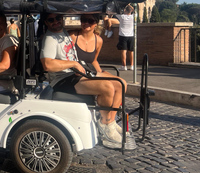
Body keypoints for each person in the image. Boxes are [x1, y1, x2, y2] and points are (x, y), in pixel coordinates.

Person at [40, 12, 133, 150]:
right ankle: (105, 126)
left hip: (75, 74)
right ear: (46, 23)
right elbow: (47, 65)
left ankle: (111, 122)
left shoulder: (64, 32)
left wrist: (92, 70)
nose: (56, 21)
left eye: (58, 18)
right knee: (106, 87)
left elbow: (91, 57)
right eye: (51, 20)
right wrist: (73, 64)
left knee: (120, 84)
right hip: (62, 80)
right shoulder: (50, 38)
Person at [108, 4, 135, 71]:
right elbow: (133, 9)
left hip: (123, 35)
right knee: (131, 51)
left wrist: (125, 6)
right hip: (131, 36)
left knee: (123, 51)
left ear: (125, 10)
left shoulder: (122, 17)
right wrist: (129, 5)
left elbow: (115, 12)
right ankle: (132, 66)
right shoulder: (133, 17)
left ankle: (124, 66)